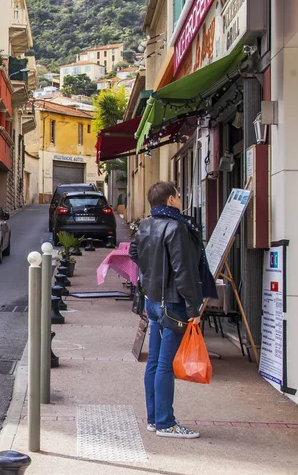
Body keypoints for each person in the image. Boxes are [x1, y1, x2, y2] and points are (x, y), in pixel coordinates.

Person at [129, 181, 204, 439]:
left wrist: (152, 275)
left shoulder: (145, 225)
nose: (181, 199)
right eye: (179, 196)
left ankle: (154, 419)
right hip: (173, 304)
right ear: (171, 200)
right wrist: (194, 306)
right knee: (165, 365)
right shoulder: (177, 227)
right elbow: (184, 271)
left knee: (154, 361)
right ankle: (165, 423)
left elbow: (134, 253)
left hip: (153, 300)